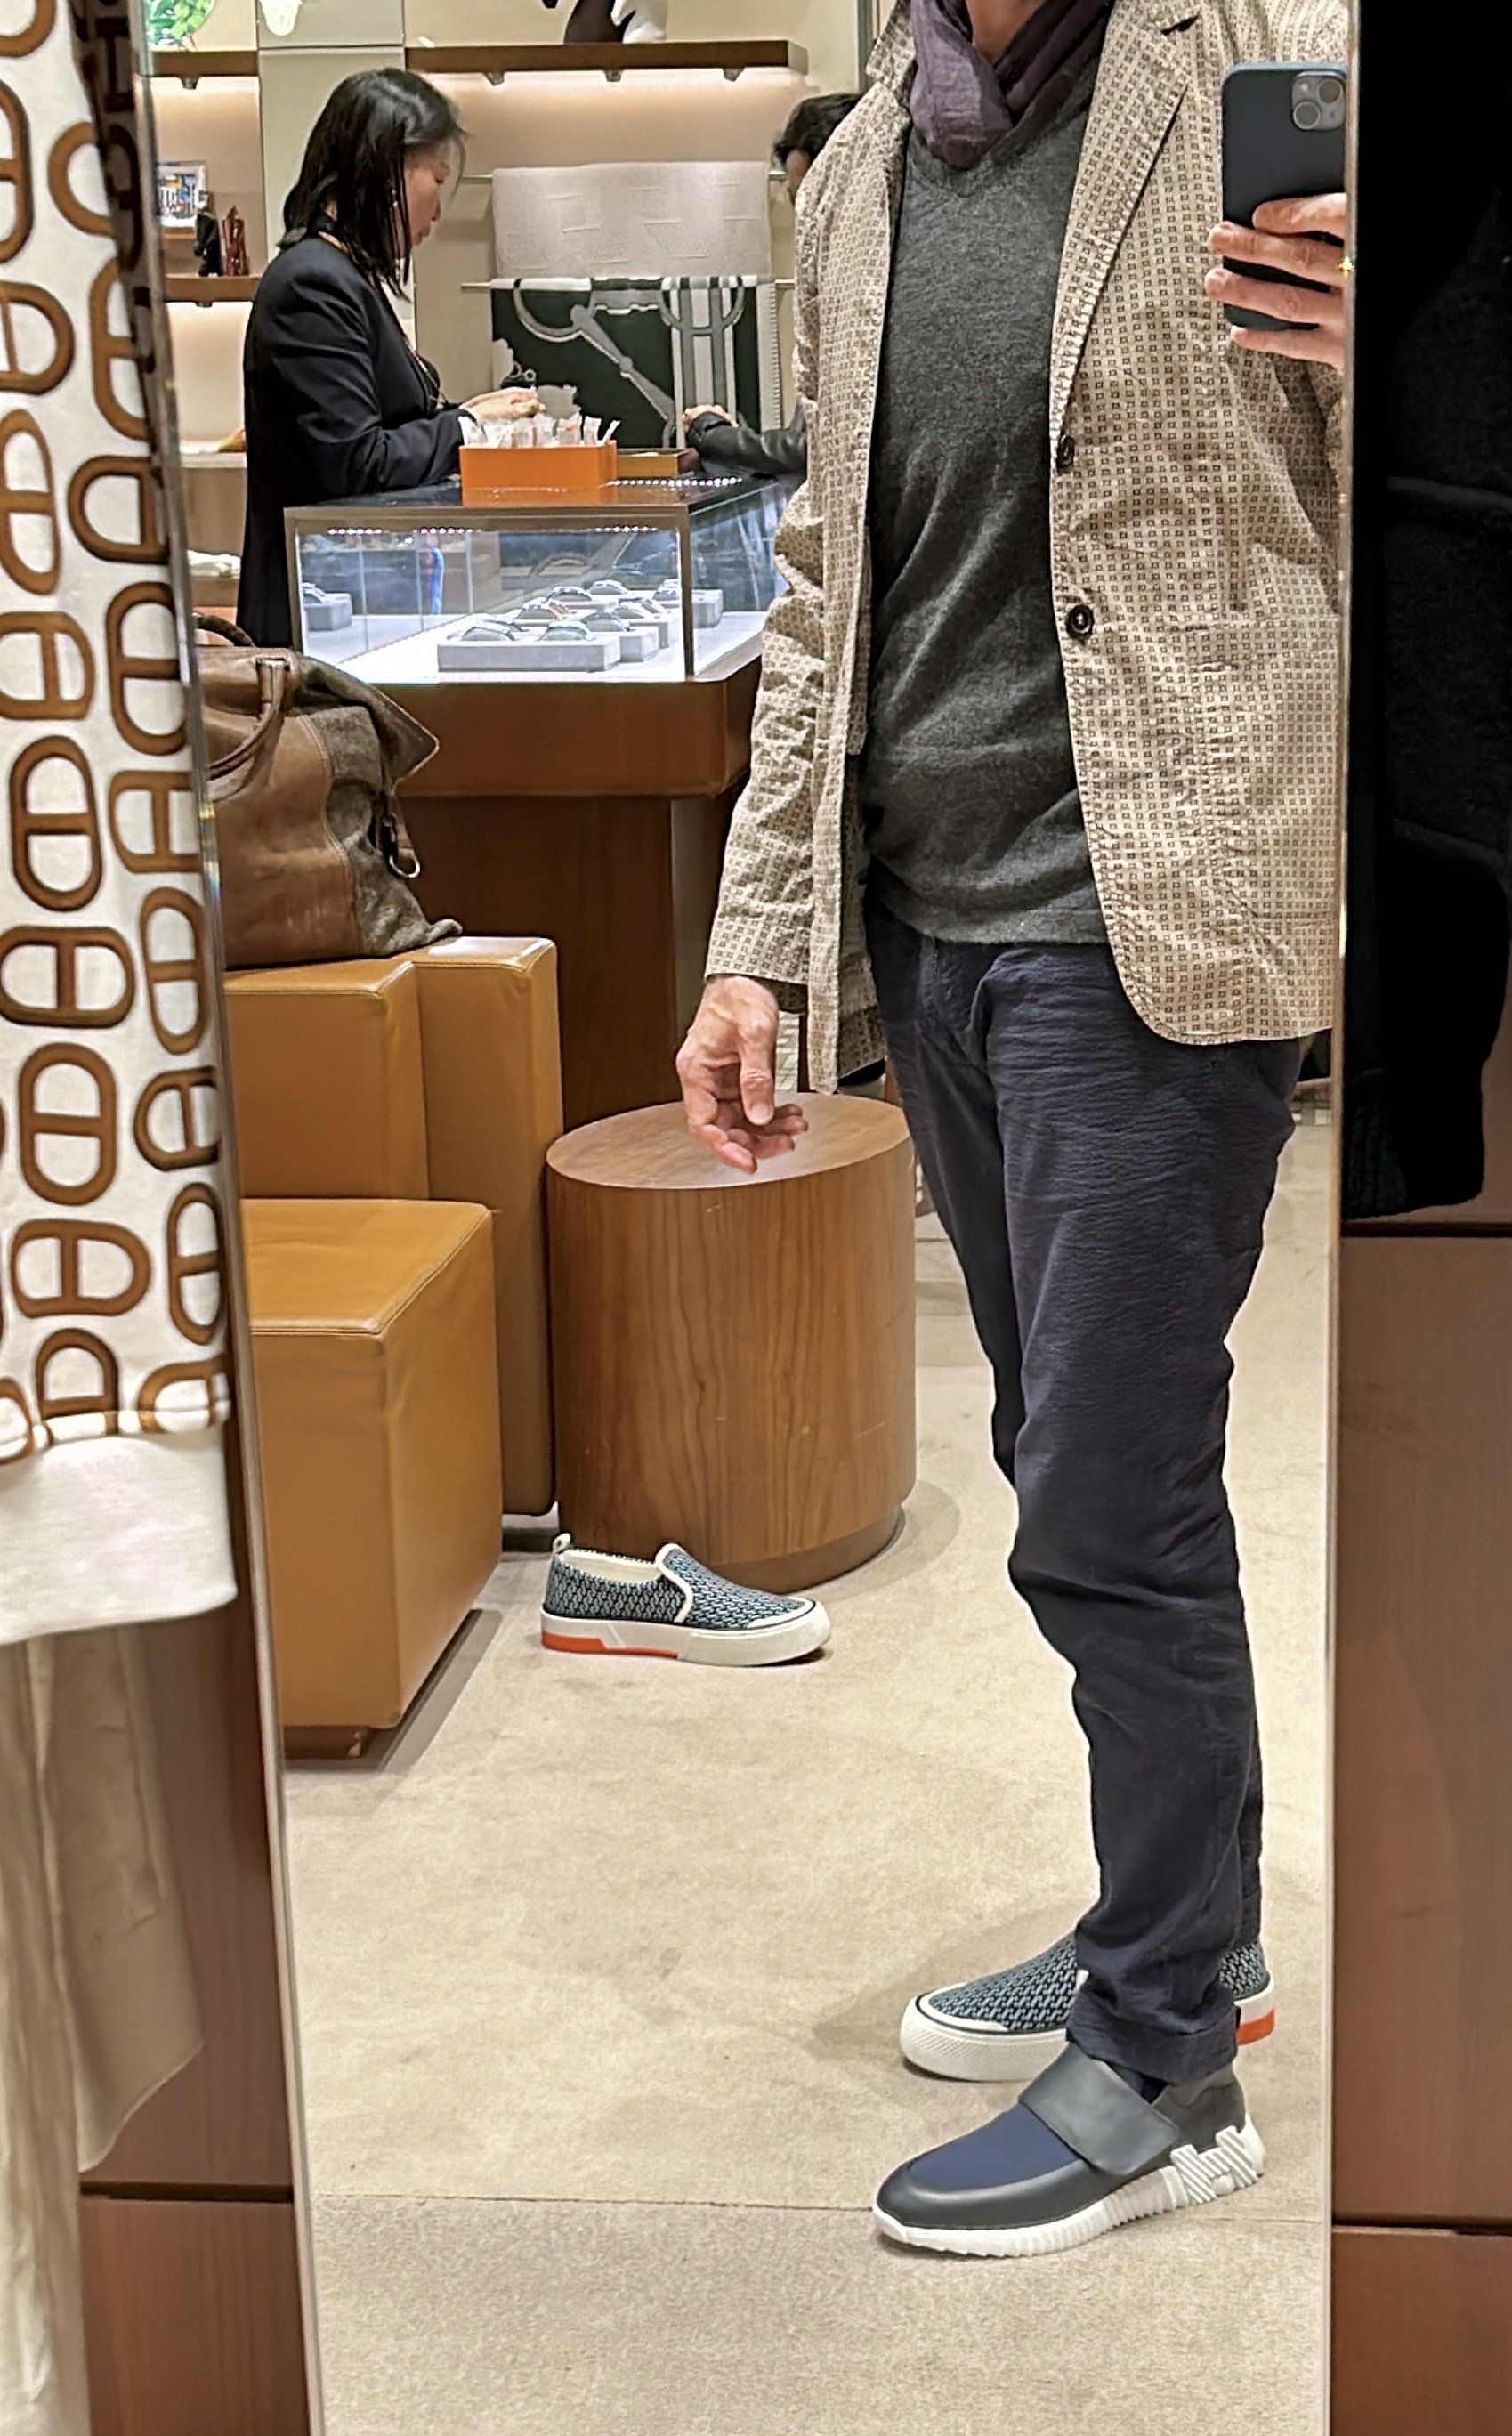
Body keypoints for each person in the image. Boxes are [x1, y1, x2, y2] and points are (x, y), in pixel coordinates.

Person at [677, 0, 1350, 2259]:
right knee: (1078, 1446)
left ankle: (1162, 2055)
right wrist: (756, 944)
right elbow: (819, 584)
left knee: (1099, 1495)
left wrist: (1387, 337)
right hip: (932, 923)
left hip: (1143, 917)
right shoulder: (868, 163)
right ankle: (1189, 1933)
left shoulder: (1263, 67)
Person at [238, 69, 537, 648]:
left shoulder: (343, 275)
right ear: (389, 171)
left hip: (356, 605)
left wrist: (468, 416)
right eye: (436, 179)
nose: (438, 211)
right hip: (320, 618)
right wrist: (468, 425)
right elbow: (358, 462)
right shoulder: (312, 284)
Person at [682, 93, 861, 481]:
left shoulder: (878, 290)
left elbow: (819, 449)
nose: (808, 219)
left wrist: (715, 436)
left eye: (820, 199)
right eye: (799, 202)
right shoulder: (833, 282)